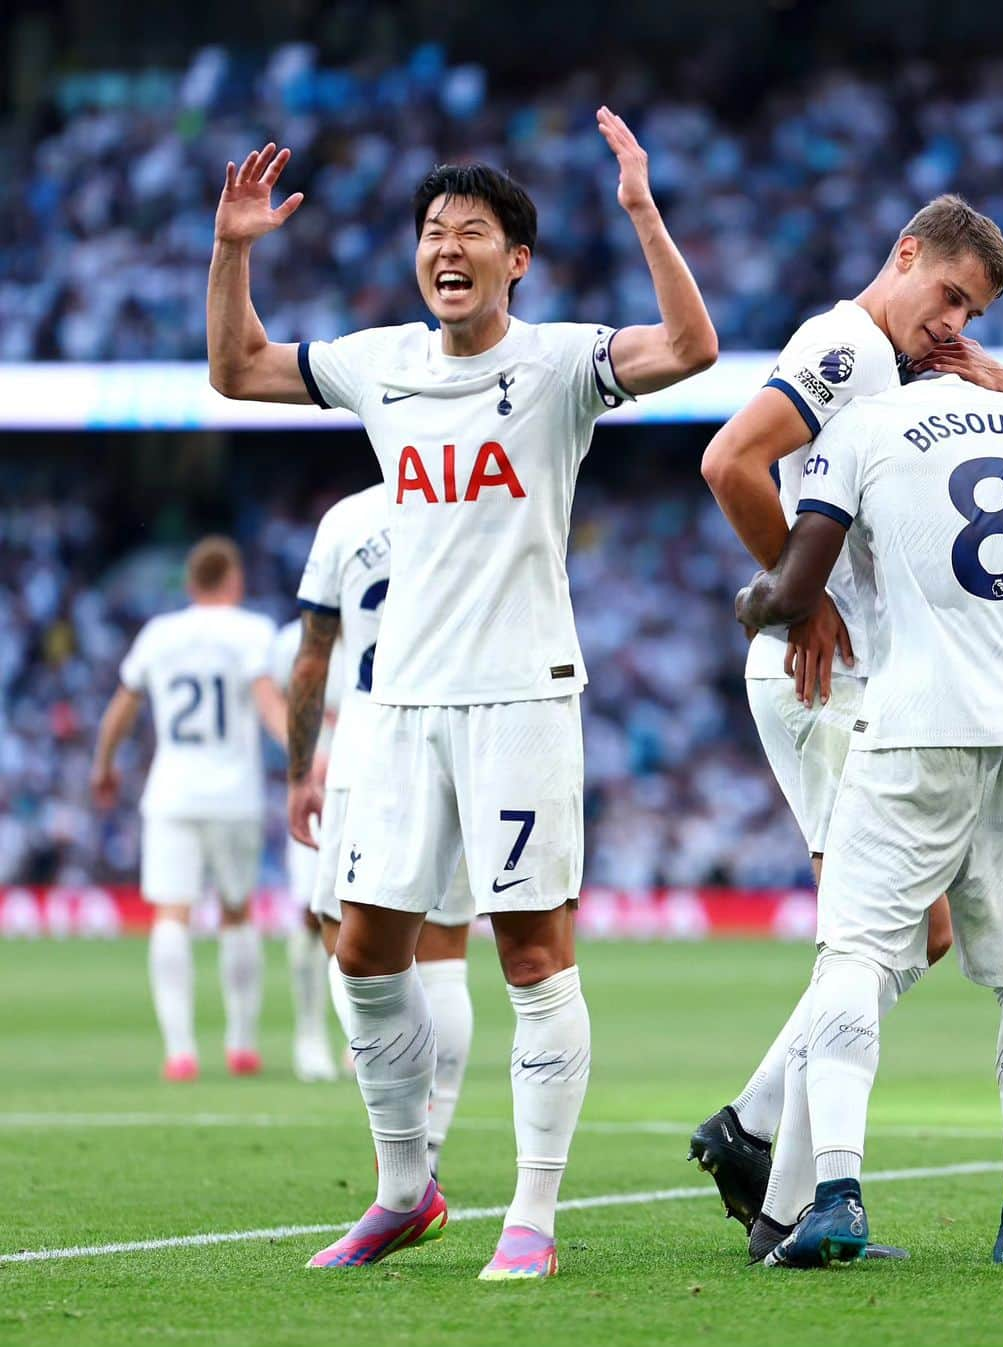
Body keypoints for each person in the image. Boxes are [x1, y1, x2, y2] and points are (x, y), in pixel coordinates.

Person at [206, 109, 717, 1278]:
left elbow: (691, 348)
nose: (449, 246)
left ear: (515, 259)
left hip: (520, 699)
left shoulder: (557, 364)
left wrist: (641, 209)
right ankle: (405, 1190)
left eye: (473, 231)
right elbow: (237, 370)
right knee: (364, 955)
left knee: (532, 956)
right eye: (433, 229)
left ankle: (532, 1213)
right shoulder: (380, 361)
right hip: (394, 709)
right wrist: (235, 250)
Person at [691, 196, 1003, 1256]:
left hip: (854, 677)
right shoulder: (842, 347)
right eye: (949, 295)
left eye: (973, 311)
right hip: (820, 674)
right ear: (906, 255)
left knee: (907, 932)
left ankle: (754, 1129)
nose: (954, 321)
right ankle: (779, 1188)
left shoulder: (901, 371)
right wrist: (802, 591)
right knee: (874, 937)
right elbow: (731, 460)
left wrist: (990, 391)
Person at [734, 372, 1003, 1266]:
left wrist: (754, 605)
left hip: (914, 726)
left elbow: (799, 588)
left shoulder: (864, 425)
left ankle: (835, 1197)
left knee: (852, 952)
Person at [285, 484, 476, 1180]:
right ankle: (427, 1147)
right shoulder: (476, 496)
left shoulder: (348, 518)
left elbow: (313, 655)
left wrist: (298, 771)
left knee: (351, 947)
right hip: (460, 739)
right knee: (444, 951)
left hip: (366, 745)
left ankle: (401, 1151)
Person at [90, 536, 285, 1080]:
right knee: (236, 911)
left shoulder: (160, 634)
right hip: (234, 795)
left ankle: (180, 1051)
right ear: (234, 578)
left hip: (172, 792)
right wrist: (304, 760)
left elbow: (121, 708)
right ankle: (241, 1043)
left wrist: (102, 765)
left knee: (171, 914)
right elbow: (270, 705)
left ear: (192, 582)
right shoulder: (253, 631)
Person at [269, 616, 343, 1082]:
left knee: (383, 912)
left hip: (380, 778)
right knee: (310, 912)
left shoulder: (390, 617)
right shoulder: (290, 641)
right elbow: (268, 693)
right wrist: (302, 746)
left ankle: (368, 1036)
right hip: (317, 784)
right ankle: (310, 1035)